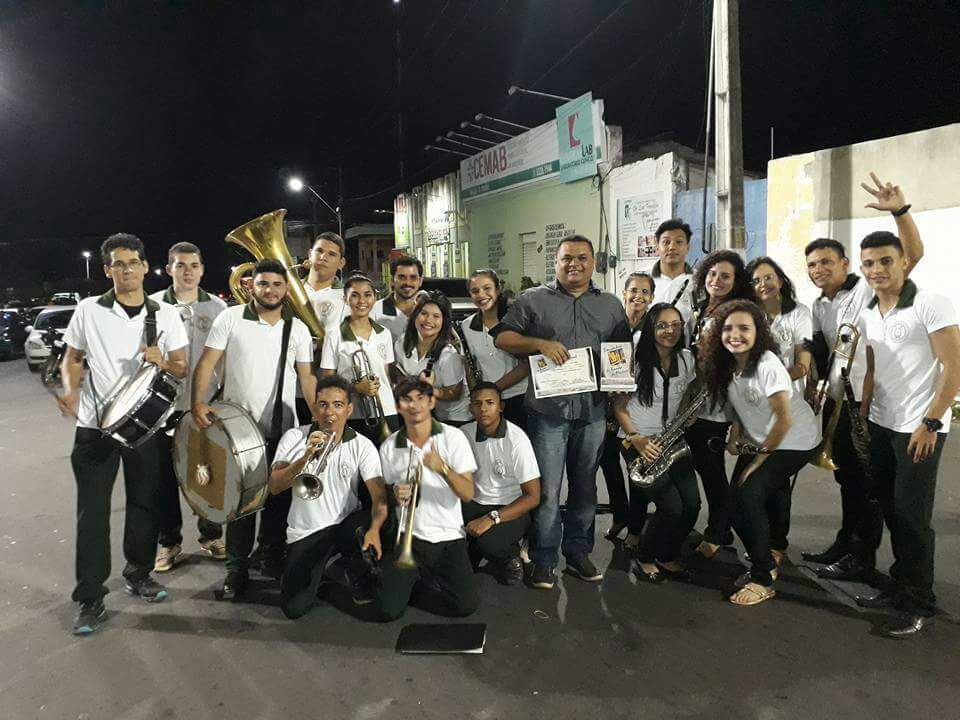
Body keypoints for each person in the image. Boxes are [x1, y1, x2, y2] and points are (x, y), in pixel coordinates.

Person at [58, 233, 189, 635]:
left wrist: (162, 360)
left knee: (144, 504)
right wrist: (70, 389)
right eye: (118, 263)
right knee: (92, 513)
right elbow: (72, 358)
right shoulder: (88, 310)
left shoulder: (165, 314)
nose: (127, 270)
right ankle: (90, 597)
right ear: (107, 270)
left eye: (133, 262)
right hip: (94, 427)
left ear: (145, 267)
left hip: (145, 426)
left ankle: (139, 573)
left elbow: (181, 366)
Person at [802, 173, 924, 579]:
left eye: (826, 262)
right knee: (847, 479)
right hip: (838, 401)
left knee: (867, 483)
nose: (819, 269)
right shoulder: (819, 305)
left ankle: (862, 556)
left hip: (869, 403)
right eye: (812, 264)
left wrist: (900, 212)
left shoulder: (867, 289)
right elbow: (825, 352)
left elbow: (911, 254)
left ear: (845, 264)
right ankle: (846, 543)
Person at [494, 235, 631, 589]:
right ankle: (544, 560)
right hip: (547, 412)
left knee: (585, 487)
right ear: (555, 263)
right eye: (567, 258)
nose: (574, 264)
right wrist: (539, 343)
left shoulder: (611, 305)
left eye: (582, 258)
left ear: (593, 263)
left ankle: (578, 553)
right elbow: (503, 338)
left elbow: (621, 352)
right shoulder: (532, 300)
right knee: (548, 490)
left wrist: (619, 384)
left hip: (593, 410)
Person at [855, 230, 960, 637]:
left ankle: (920, 602)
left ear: (903, 261)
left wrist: (931, 422)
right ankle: (900, 586)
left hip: (918, 427)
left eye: (885, 260)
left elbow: (953, 367)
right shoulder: (869, 310)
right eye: (868, 263)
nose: (876, 270)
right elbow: (872, 364)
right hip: (882, 423)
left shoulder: (930, 303)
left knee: (913, 516)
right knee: (891, 509)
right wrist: (865, 411)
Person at [192, 259, 317, 599]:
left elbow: (306, 377)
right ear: (251, 286)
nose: (270, 290)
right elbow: (207, 363)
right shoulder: (230, 318)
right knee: (241, 504)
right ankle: (236, 569)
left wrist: (319, 417)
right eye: (263, 284)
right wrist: (198, 403)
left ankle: (270, 556)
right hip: (238, 431)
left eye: (277, 284)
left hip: (283, 429)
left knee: (278, 499)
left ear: (286, 289)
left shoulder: (297, 328)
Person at [699, 300, 819, 606]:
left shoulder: (767, 363)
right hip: (762, 438)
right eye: (728, 328)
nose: (735, 335)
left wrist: (760, 458)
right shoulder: (728, 364)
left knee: (748, 496)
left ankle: (763, 577)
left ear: (758, 332)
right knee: (739, 502)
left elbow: (785, 419)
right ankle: (769, 554)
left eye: (744, 328)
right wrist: (735, 437)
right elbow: (740, 405)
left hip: (794, 440)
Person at [269, 376, 388, 618]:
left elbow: (379, 498)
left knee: (361, 525)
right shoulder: (294, 437)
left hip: (345, 526)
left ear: (349, 409)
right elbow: (275, 486)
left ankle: (347, 564)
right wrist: (304, 458)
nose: (329, 412)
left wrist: (375, 529)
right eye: (323, 404)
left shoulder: (362, 445)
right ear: (314, 408)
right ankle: (327, 570)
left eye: (337, 405)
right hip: (306, 532)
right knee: (293, 609)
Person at [150, 242, 228, 573]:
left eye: (194, 265)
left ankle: (211, 535)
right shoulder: (153, 305)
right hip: (162, 406)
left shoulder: (217, 307)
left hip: (205, 405)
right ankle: (169, 542)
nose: (188, 272)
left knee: (206, 473)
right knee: (164, 478)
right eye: (180, 265)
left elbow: (225, 359)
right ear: (169, 269)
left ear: (202, 269)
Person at [377, 377, 480, 620]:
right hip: (408, 536)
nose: (414, 406)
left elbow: (467, 493)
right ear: (398, 407)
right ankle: (408, 576)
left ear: (432, 402)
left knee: (466, 607)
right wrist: (394, 494)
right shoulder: (389, 446)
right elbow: (384, 494)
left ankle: (422, 577)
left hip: (448, 536)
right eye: (407, 400)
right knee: (388, 610)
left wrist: (442, 468)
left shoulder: (453, 437)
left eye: (420, 398)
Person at [613, 303, 700, 583]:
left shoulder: (686, 359)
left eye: (676, 325)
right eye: (662, 325)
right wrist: (636, 438)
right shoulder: (635, 361)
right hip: (637, 440)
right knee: (671, 506)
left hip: (672, 438)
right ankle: (645, 556)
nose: (669, 331)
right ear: (651, 328)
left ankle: (667, 553)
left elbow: (688, 390)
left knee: (692, 505)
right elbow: (619, 408)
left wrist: (686, 413)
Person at [683, 250, 751, 558]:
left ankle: (718, 532)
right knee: (702, 465)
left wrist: (737, 423)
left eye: (725, 276)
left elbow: (739, 367)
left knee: (712, 473)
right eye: (712, 274)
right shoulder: (703, 307)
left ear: (736, 281)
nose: (717, 280)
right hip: (694, 403)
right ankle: (718, 528)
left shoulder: (735, 314)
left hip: (717, 407)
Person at [460, 382, 541, 585]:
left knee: (489, 543)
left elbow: (533, 496)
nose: (483, 409)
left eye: (490, 403)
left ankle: (511, 557)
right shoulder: (463, 434)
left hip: (510, 508)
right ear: (470, 408)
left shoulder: (517, 440)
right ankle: (473, 548)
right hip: (474, 503)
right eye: (477, 404)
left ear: (501, 407)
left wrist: (491, 518)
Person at [600, 272, 654, 545]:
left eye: (645, 292)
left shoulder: (653, 329)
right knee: (608, 463)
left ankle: (635, 527)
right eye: (633, 290)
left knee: (635, 467)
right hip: (607, 406)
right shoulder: (612, 323)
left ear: (652, 297)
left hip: (636, 409)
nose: (638, 296)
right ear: (624, 294)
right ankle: (620, 514)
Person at [320, 274, 399, 444]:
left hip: (387, 410)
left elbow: (386, 374)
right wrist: (356, 388)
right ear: (345, 299)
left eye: (367, 295)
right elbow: (327, 381)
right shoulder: (334, 335)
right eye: (354, 295)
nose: (362, 301)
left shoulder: (384, 333)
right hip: (352, 413)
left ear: (375, 298)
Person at [459, 269, 529, 429]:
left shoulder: (516, 320)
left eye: (487, 288)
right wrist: (477, 395)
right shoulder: (467, 326)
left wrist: (493, 390)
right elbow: (469, 364)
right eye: (475, 291)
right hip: (489, 404)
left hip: (521, 399)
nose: (481, 294)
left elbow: (526, 365)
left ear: (498, 289)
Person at [394, 293, 472, 426]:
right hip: (423, 411)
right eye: (424, 313)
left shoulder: (449, 355)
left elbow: (454, 393)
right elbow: (400, 373)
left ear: (444, 322)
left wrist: (428, 389)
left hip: (454, 418)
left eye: (436, 316)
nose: (428, 320)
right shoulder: (402, 342)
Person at [746, 256, 813, 397]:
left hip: (789, 398)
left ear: (780, 281)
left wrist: (771, 384)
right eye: (756, 281)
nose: (763, 284)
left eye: (768, 277)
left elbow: (803, 365)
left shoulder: (799, 313)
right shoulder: (745, 315)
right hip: (752, 399)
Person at [303, 231, 348, 337]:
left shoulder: (348, 299)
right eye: (319, 251)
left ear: (341, 263)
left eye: (332, 254)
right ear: (310, 254)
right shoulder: (288, 289)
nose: (323, 257)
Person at [372, 255, 424, 342]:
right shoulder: (375, 312)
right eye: (402, 277)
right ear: (392, 280)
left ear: (420, 281)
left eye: (413, 277)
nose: (407, 283)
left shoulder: (430, 311)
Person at [651, 219, 695, 315]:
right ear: (657, 247)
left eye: (679, 242)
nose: (672, 247)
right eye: (666, 242)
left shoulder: (698, 281)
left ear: (688, 247)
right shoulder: (643, 279)